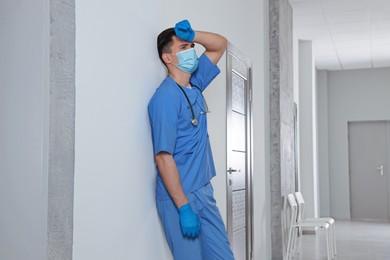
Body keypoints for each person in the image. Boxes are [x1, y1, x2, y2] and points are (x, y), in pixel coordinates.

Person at [148, 20, 234, 260]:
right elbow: (163, 157)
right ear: (168, 58)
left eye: (191, 47)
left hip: (203, 191)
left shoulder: (194, 84)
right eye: (183, 48)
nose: (191, 52)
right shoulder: (165, 98)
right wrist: (184, 207)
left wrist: (193, 34)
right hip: (180, 196)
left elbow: (219, 45)